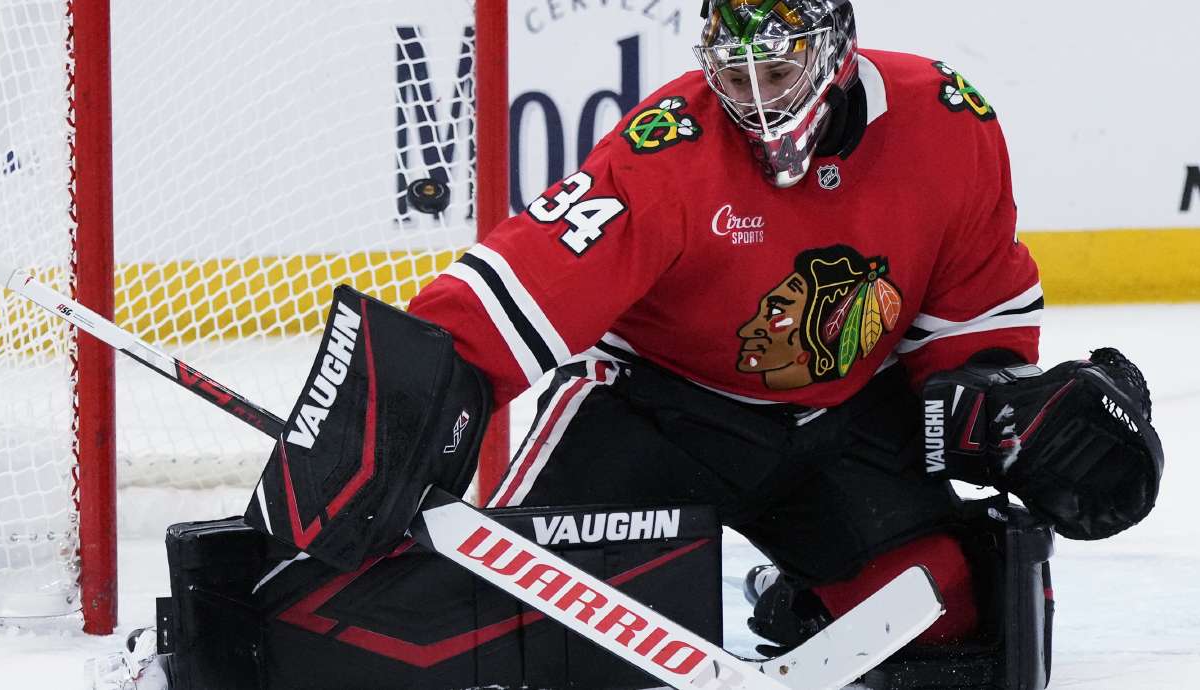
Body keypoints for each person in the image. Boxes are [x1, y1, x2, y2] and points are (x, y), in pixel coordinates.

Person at [401, 1, 1162, 687]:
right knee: (515, 626)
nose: (758, 99)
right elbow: (523, 284)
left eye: (778, 67)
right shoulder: (669, 148)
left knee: (957, 611)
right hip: (657, 409)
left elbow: (975, 308)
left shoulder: (947, 122)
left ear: (836, 50)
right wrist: (401, 397)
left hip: (840, 418)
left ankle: (797, 602)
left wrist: (996, 404)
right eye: (737, 73)